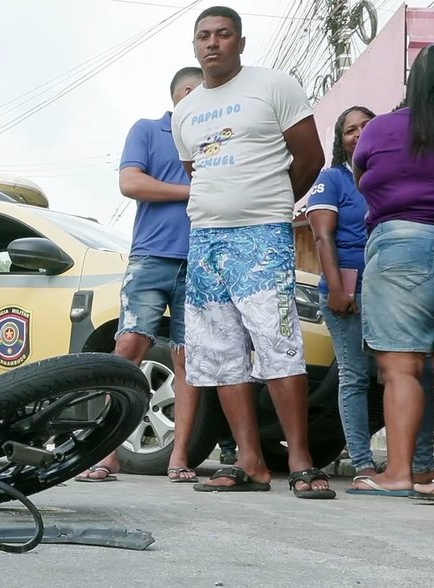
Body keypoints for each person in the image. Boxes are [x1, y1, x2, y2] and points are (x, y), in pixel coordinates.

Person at [173, 7, 329, 499]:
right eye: (204, 36)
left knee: (277, 343)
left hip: (261, 236)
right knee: (220, 353)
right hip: (205, 241)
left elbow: (310, 158)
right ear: (195, 45)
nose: (212, 43)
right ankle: (250, 461)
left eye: (222, 35)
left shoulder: (274, 85)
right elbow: (198, 172)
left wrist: (273, 203)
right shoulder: (186, 111)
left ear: (240, 41)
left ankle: (300, 459)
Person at [349, 43, 434, 498]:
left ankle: (399, 473)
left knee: (401, 367)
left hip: (402, 244)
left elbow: (362, 176)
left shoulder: (382, 129)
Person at [77, 66, 204, 484]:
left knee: (187, 360)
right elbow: (130, 182)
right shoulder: (149, 130)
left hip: (201, 259)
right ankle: (106, 453)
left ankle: (179, 458)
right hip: (151, 257)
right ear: (182, 94)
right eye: (198, 92)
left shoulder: (215, 138)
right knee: (129, 345)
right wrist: (192, 191)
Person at [306, 105, 379, 484]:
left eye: (367, 125)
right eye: (351, 129)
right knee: (355, 376)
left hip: (389, 288)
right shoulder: (332, 178)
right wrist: (336, 288)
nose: (360, 133)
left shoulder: (388, 175)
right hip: (346, 289)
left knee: (405, 374)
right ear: (341, 139)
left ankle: (416, 460)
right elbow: (322, 236)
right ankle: (362, 463)